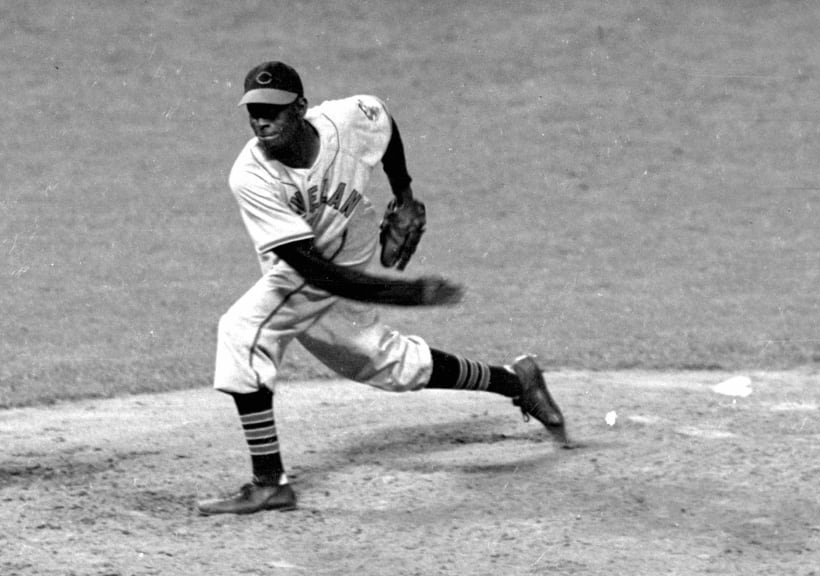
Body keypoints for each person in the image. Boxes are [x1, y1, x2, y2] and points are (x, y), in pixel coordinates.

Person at [197, 61, 567, 516]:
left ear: (301, 107)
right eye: (253, 110)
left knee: (242, 331)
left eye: (273, 109)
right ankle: (516, 380)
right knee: (383, 363)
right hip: (310, 262)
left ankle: (270, 483)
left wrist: (405, 195)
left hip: (349, 238)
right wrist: (407, 294)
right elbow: (311, 270)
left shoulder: (345, 120)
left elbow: (384, 123)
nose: (261, 120)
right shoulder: (251, 175)